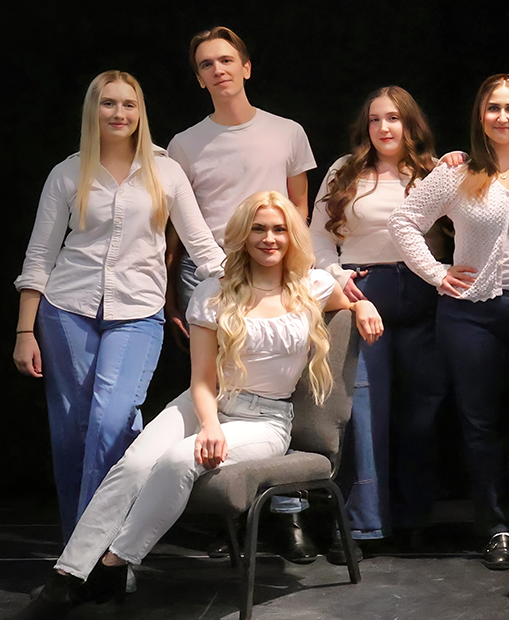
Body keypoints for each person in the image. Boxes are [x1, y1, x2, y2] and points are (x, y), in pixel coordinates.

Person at [9, 191, 383, 620]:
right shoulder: (213, 292)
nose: (269, 238)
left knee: (177, 461)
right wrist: (210, 424)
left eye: (279, 229)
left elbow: (347, 302)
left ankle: (113, 564)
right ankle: (66, 576)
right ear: (243, 235)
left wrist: (364, 303)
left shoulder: (312, 286)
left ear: (291, 236)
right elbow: (202, 379)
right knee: (133, 464)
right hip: (207, 401)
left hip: (266, 419)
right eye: (259, 228)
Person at [13, 70, 226, 544]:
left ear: (140, 112)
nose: (119, 113)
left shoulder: (166, 171)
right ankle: (81, 549)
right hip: (66, 310)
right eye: (108, 103)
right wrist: (25, 331)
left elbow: (203, 248)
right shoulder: (67, 173)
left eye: (128, 104)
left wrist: (255, 282)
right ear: (93, 110)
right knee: (74, 431)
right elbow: (40, 256)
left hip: (138, 313)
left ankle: (98, 548)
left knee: (111, 422)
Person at [389, 73, 509, 571]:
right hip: (470, 314)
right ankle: (495, 525)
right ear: (481, 116)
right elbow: (404, 221)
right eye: (493, 108)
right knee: (479, 424)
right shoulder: (458, 172)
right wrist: (437, 273)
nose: (502, 117)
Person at [165, 25, 321, 561]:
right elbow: (178, 226)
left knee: (278, 390)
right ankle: (229, 518)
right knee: (220, 393)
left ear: (246, 67)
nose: (219, 70)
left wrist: (295, 269)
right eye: (207, 64)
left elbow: (299, 209)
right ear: (199, 78)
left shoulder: (287, 132)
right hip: (211, 278)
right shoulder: (184, 144)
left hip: (277, 271)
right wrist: (172, 293)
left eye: (227, 60)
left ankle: (289, 512)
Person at [310, 86, 448, 560]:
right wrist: (339, 280)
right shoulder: (344, 171)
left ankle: (414, 519)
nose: (384, 127)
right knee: (365, 412)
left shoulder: (435, 172)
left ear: (411, 124)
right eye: (375, 119)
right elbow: (317, 239)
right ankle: (363, 524)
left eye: (394, 118)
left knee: (421, 412)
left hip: (424, 297)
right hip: (363, 294)